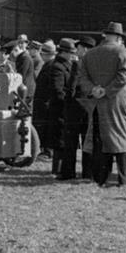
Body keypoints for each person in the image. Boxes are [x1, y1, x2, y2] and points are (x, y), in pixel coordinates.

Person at [79, 22, 126, 187]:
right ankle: (123, 179)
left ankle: (100, 178)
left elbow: (83, 77)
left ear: (105, 36)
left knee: (99, 141)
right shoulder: (123, 52)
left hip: (97, 103)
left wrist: (94, 90)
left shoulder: (90, 54)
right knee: (122, 140)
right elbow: (124, 76)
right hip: (117, 102)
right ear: (119, 37)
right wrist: (107, 90)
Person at [58, 36, 96, 180]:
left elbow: (72, 86)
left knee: (71, 142)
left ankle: (68, 172)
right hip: (90, 106)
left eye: (78, 48)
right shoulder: (96, 64)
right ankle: (88, 172)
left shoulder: (78, 64)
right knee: (88, 141)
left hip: (75, 107)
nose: (76, 51)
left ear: (85, 49)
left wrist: (68, 103)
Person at [47, 39, 75, 174]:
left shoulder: (66, 65)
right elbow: (58, 90)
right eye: (70, 52)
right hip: (60, 109)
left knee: (63, 140)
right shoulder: (57, 67)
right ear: (63, 52)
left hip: (65, 109)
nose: (72, 55)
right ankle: (57, 169)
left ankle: (61, 169)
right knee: (59, 141)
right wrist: (69, 102)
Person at [33, 40, 57, 160]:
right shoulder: (50, 65)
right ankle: (45, 149)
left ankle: (47, 151)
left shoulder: (50, 66)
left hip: (44, 102)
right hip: (45, 102)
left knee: (45, 127)